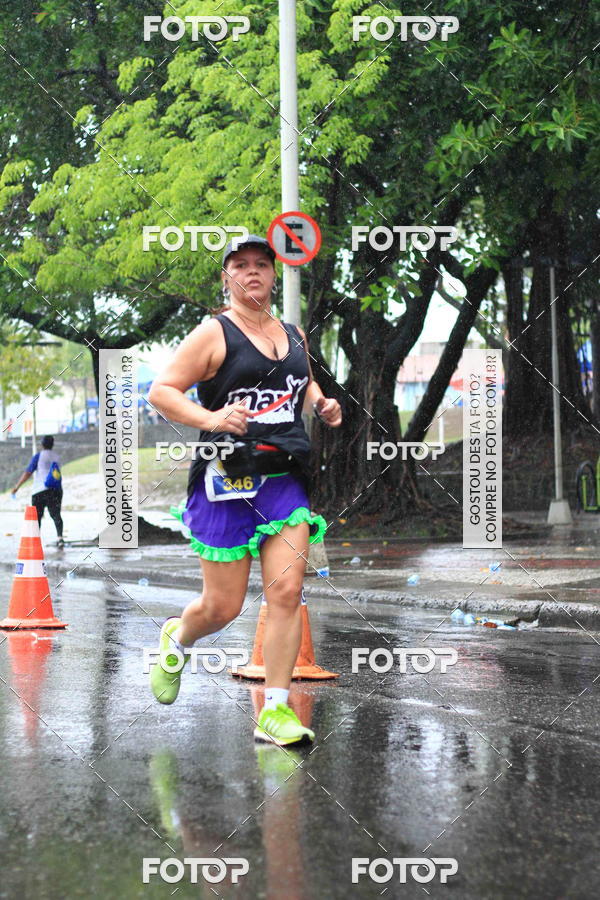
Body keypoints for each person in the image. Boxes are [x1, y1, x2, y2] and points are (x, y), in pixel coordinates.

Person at [148, 233, 342, 746]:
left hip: (283, 480)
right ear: (227, 277)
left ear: (275, 275)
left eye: (262, 264)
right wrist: (211, 417)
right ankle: (178, 635)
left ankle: (274, 712)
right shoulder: (214, 333)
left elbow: (300, 382)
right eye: (241, 265)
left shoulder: (294, 334)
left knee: (287, 591)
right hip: (225, 482)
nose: (252, 271)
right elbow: (162, 391)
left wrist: (323, 403)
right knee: (223, 607)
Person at [12, 435, 64, 548]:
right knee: (56, 515)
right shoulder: (57, 457)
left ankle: (36, 541)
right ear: (52, 444)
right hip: (55, 490)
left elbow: (28, 473)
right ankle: (60, 538)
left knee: (37, 517)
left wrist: (17, 486)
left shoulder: (39, 456)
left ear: (42, 444)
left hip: (39, 490)